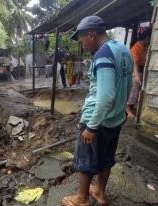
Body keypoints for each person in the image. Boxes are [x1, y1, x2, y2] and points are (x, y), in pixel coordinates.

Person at [61, 16, 133, 206]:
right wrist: (121, 109)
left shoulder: (103, 55)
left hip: (97, 119)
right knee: (106, 157)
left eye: (82, 40)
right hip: (116, 118)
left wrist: (91, 127)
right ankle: (100, 193)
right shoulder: (123, 50)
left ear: (91, 34)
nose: (82, 45)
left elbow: (106, 95)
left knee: (85, 159)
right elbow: (128, 84)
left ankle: (82, 198)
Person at [126, 27, 151, 118]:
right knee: (133, 90)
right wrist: (136, 75)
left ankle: (132, 108)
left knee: (137, 91)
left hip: (141, 70)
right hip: (133, 71)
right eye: (148, 39)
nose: (149, 41)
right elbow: (134, 63)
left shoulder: (145, 47)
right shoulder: (136, 47)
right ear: (146, 38)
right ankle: (128, 109)